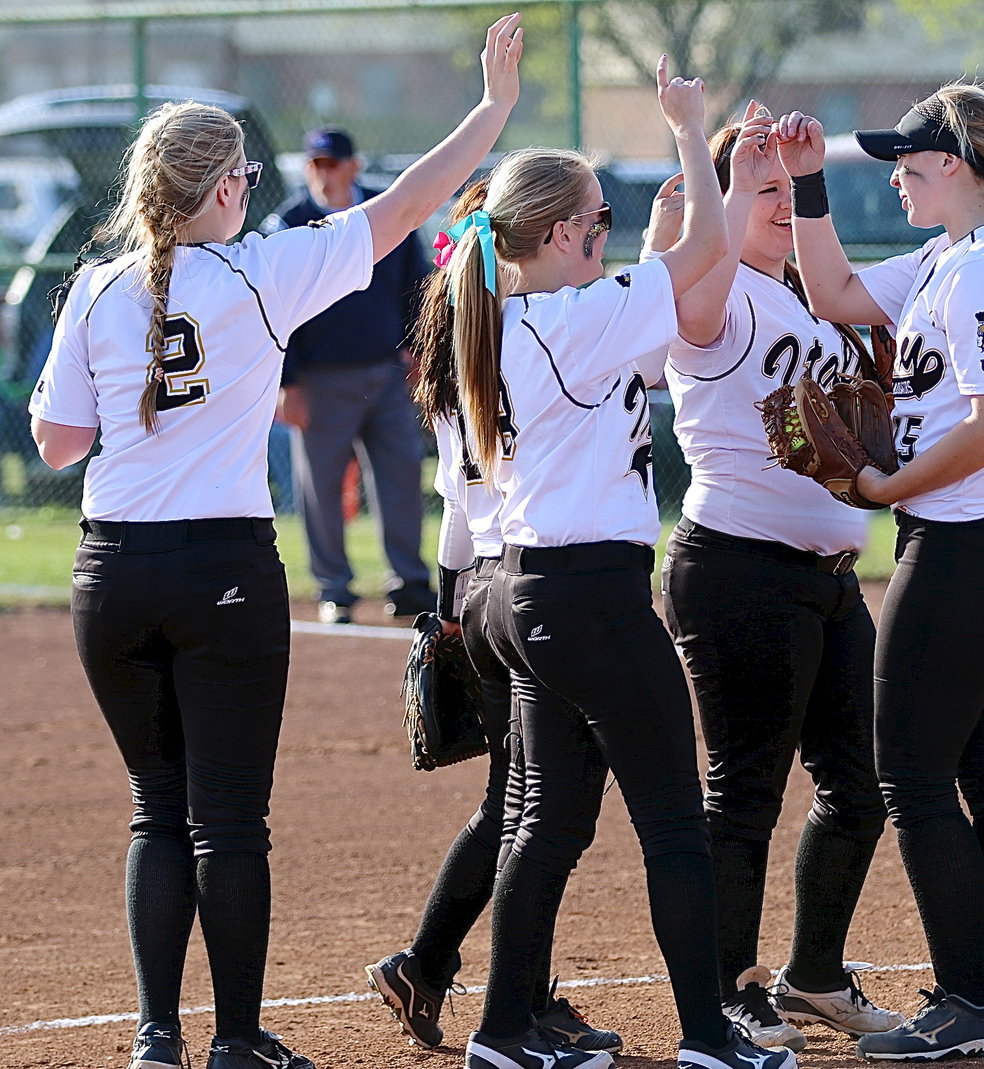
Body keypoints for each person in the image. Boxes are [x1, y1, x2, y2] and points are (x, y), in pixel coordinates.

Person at [27, 16, 523, 1069]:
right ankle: (239, 1039)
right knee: (229, 821)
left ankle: (156, 1038)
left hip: (109, 569)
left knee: (156, 813)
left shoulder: (95, 287)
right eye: (243, 175)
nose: (251, 188)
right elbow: (403, 212)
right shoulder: (264, 271)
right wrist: (492, 111)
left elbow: (59, 442)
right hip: (221, 570)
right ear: (219, 191)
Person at [444, 57, 795, 1069]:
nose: (603, 234)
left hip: (525, 590)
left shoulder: (525, 316)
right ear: (559, 236)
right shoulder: (570, 316)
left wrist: (662, 233)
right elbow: (701, 259)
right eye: (594, 222)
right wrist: (692, 129)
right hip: (586, 595)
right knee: (676, 828)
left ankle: (507, 1029)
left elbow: (675, 308)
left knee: (547, 822)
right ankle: (706, 1038)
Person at [776, 81, 984, 1060]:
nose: (898, 176)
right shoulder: (952, 256)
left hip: (966, 542)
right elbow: (830, 294)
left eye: (908, 162)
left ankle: (968, 1003)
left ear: (954, 163)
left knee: (907, 768)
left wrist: (882, 480)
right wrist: (809, 183)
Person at [644, 102, 904, 1050]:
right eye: (764, 192)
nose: (782, 205)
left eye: (787, 192)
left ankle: (814, 976)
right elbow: (699, 298)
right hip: (739, 572)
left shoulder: (797, 294)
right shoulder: (714, 295)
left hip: (828, 579)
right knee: (745, 793)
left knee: (860, 784)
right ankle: (724, 990)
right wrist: (717, 170)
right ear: (720, 204)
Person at [364, 178, 620, 1056]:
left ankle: (446, 971)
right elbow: (470, 505)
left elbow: (453, 507)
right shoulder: (510, 341)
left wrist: (446, 613)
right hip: (515, 580)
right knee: (545, 800)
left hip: (478, 584)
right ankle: (489, 987)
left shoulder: (466, 345)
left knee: (523, 797)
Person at [265, 125, 435, 624]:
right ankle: (333, 588)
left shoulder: (383, 212)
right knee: (320, 488)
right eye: (315, 164)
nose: (323, 172)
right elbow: (275, 308)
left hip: (385, 373)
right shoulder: (290, 223)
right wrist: (287, 383)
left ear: (353, 166)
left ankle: (409, 581)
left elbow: (417, 285)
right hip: (319, 380)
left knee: (402, 476)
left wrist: (418, 349)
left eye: (332, 163)